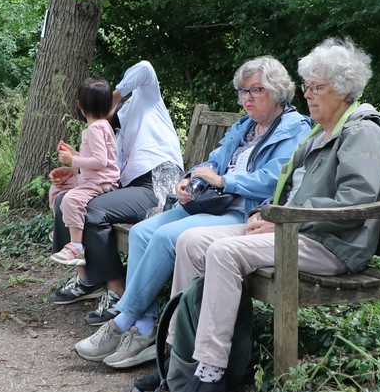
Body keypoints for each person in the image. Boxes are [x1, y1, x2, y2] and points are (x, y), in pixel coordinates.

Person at [154, 37, 380, 392]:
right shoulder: (319, 132)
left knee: (223, 251)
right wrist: (267, 212)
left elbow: (355, 204)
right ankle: (178, 360)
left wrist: (281, 221)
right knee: (191, 241)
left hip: (332, 243)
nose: (307, 94)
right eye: (307, 86)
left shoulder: (362, 132)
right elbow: (291, 192)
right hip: (296, 230)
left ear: (343, 89)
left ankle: (212, 372)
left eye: (317, 87)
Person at [73, 56, 310, 370]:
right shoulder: (245, 127)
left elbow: (272, 179)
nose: (247, 98)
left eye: (256, 90)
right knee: (142, 232)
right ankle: (144, 328)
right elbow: (213, 161)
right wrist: (191, 179)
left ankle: (124, 320)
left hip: (244, 213)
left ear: (277, 91)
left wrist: (224, 181)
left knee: (165, 237)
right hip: (211, 202)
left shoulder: (294, 128)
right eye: (243, 92)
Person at [48, 60, 183, 313]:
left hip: (158, 185)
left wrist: (114, 96)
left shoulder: (144, 100)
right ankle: (88, 279)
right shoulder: (110, 133)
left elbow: (145, 68)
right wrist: (74, 171)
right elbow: (107, 173)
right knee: (64, 198)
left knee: (91, 209)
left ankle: (119, 291)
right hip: (131, 189)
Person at [48, 78, 122, 266]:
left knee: (71, 199)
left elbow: (100, 161)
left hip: (100, 182)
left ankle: (76, 248)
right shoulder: (103, 125)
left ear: (79, 105)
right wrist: (74, 154)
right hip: (93, 177)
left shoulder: (95, 129)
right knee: (58, 188)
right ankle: (64, 226)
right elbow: (96, 158)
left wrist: (72, 160)